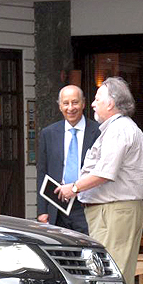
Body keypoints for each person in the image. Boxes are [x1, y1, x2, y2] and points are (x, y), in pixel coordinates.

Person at [55, 76, 143, 284]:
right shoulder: (114, 129)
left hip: (115, 210)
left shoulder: (120, 130)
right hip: (112, 210)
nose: (93, 103)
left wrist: (73, 188)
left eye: (98, 98)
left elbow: (104, 173)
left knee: (114, 274)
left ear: (111, 103)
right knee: (111, 274)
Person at [37, 85, 100, 234]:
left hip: (86, 205)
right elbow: (42, 172)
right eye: (65, 103)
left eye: (75, 102)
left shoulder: (98, 132)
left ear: (83, 104)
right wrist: (42, 211)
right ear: (59, 106)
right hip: (57, 205)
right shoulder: (48, 133)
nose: (70, 108)